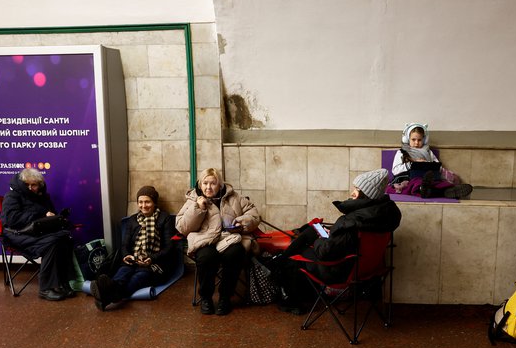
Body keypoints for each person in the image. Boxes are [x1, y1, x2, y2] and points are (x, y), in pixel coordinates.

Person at [272, 168, 402, 314]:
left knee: (297, 254)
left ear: (366, 195)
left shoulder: (352, 221)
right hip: (369, 267)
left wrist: (320, 239)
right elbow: (348, 241)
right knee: (311, 231)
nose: (352, 193)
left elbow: (324, 253)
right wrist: (333, 233)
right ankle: (278, 261)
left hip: (340, 271)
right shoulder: (382, 216)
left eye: (357, 189)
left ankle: (287, 293)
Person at [176, 168, 260, 316]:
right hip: (204, 239)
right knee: (207, 257)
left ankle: (225, 297)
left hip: (229, 238)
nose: (209, 187)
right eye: (205, 183)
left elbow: (253, 214)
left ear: (220, 185)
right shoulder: (192, 200)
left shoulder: (234, 197)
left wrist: (242, 221)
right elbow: (182, 227)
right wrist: (198, 208)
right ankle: (206, 298)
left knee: (236, 252)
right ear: (200, 185)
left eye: (213, 183)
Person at [90, 186, 176, 311]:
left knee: (138, 277)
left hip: (154, 263)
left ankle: (105, 297)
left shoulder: (165, 218)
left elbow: (170, 247)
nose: (143, 205)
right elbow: (124, 245)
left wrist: (151, 258)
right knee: (122, 274)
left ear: (154, 203)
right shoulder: (133, 220)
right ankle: (108, 295)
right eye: (140, 202)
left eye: (147, 202)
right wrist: (127, 256)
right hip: (133, 260)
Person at [0, 168, 76, 301]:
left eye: (33, 185)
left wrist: (56, 218)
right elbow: (11, 219)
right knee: (52, 243)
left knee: (64, 238)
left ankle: (63, 283)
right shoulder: (12, 196)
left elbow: (49, 215)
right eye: (27, 185)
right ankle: (46, 289)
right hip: (17, 234)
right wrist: (40, 214)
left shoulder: (43, 197)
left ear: (39, 184)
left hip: (38, 232)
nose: (30, 188)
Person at [388, 122, 473, 199]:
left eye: (419, 140)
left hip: (428, 178)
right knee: (415, 183)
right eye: (413, 140)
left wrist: (428, 164)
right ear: (407, 139)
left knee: (438, 183)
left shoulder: (428, 152)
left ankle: (449, 190)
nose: (416, 143)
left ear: (424, 140)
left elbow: (437, 165)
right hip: (410, 178)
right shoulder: (401, 152)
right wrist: (412, 164)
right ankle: (428, 189)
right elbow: (395, 170)